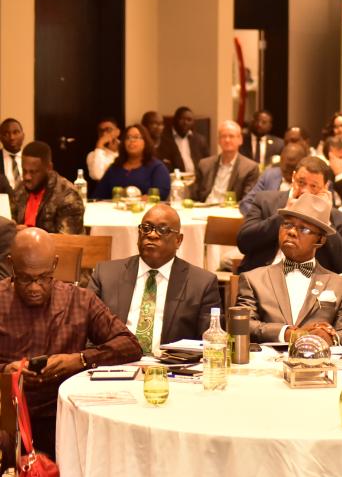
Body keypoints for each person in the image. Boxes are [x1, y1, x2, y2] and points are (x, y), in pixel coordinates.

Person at [0, 228, 141, 458]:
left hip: (64, 412)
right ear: (11, 264)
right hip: (7, 413)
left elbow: (130, 345)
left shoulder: (78, 300)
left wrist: (80, 360)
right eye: (25, 278)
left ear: (54, 264)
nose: (34, 287)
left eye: (43, 278)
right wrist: (6, 370)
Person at [89, 204, 221, 353]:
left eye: (162, 230)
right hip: (113, 362)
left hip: (174, 364)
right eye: (146, 228)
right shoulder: (106, 275)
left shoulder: (202, 283)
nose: (152, 235)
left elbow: (208, 344)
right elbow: (85, 330)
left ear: (178, 240)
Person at [236, 192, 342, 346]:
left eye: (304, 229)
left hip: (318, 358)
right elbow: (242, 324)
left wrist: (330, 338)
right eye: (287, 224)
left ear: (320, 240)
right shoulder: (253, 279)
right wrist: (287, 333)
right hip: (267, 359)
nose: (292, 232)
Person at [237, 156, 342, 274]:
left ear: (325, 187)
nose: (305, 191)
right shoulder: (265, 200)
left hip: (311, 280)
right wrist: (284, 213)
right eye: (301, 182)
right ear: (293, 177)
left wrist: (325, 219)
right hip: (261, 276)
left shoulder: (337, 218)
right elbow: (243, 243)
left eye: (313, 186)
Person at [12, 141, 84, 234]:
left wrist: (30, 234)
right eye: (24, 170)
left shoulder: (67, 195)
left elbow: (67, 240)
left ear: (49, 168)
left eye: (33, 172)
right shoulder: (21, 189)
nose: (27, 177)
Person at [94, 124, 171, 200]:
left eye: (136, 137)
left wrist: (138, 200)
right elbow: (98, 195)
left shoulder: (156, 167)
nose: (131, 140)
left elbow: (162, 193)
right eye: (128, 138)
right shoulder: (115, 167)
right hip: (116, 207)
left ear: (145, 142)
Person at [192, 120, 259, 204]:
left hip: (230, 210)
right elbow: (194, 196)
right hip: (204, 208)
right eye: (223, 136)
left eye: (231, 136)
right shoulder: (204, 164)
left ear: (240, 140)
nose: (227, 140)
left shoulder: (250, 168)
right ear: (219, 140)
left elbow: (247, 201)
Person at [239, 142, 307, 215]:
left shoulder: (309, 184)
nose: (288, 172)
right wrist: (260, 218)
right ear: (280, 161)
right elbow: (246, 202)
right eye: (285, 169)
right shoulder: (269, 176)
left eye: (292, 168)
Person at [158, 106, 209, 174]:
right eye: (182, 119)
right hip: (174, 178)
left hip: (197, 178)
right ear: (175, 120)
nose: (185, 123)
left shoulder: (199, 140)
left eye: (189, 120)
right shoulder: (163, 139)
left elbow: (207, 162)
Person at [0, 117, 24, 189]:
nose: (12, 137)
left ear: (23, 135)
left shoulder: (31, 158)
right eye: (6, 134)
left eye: (16, 132)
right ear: (0, 137)